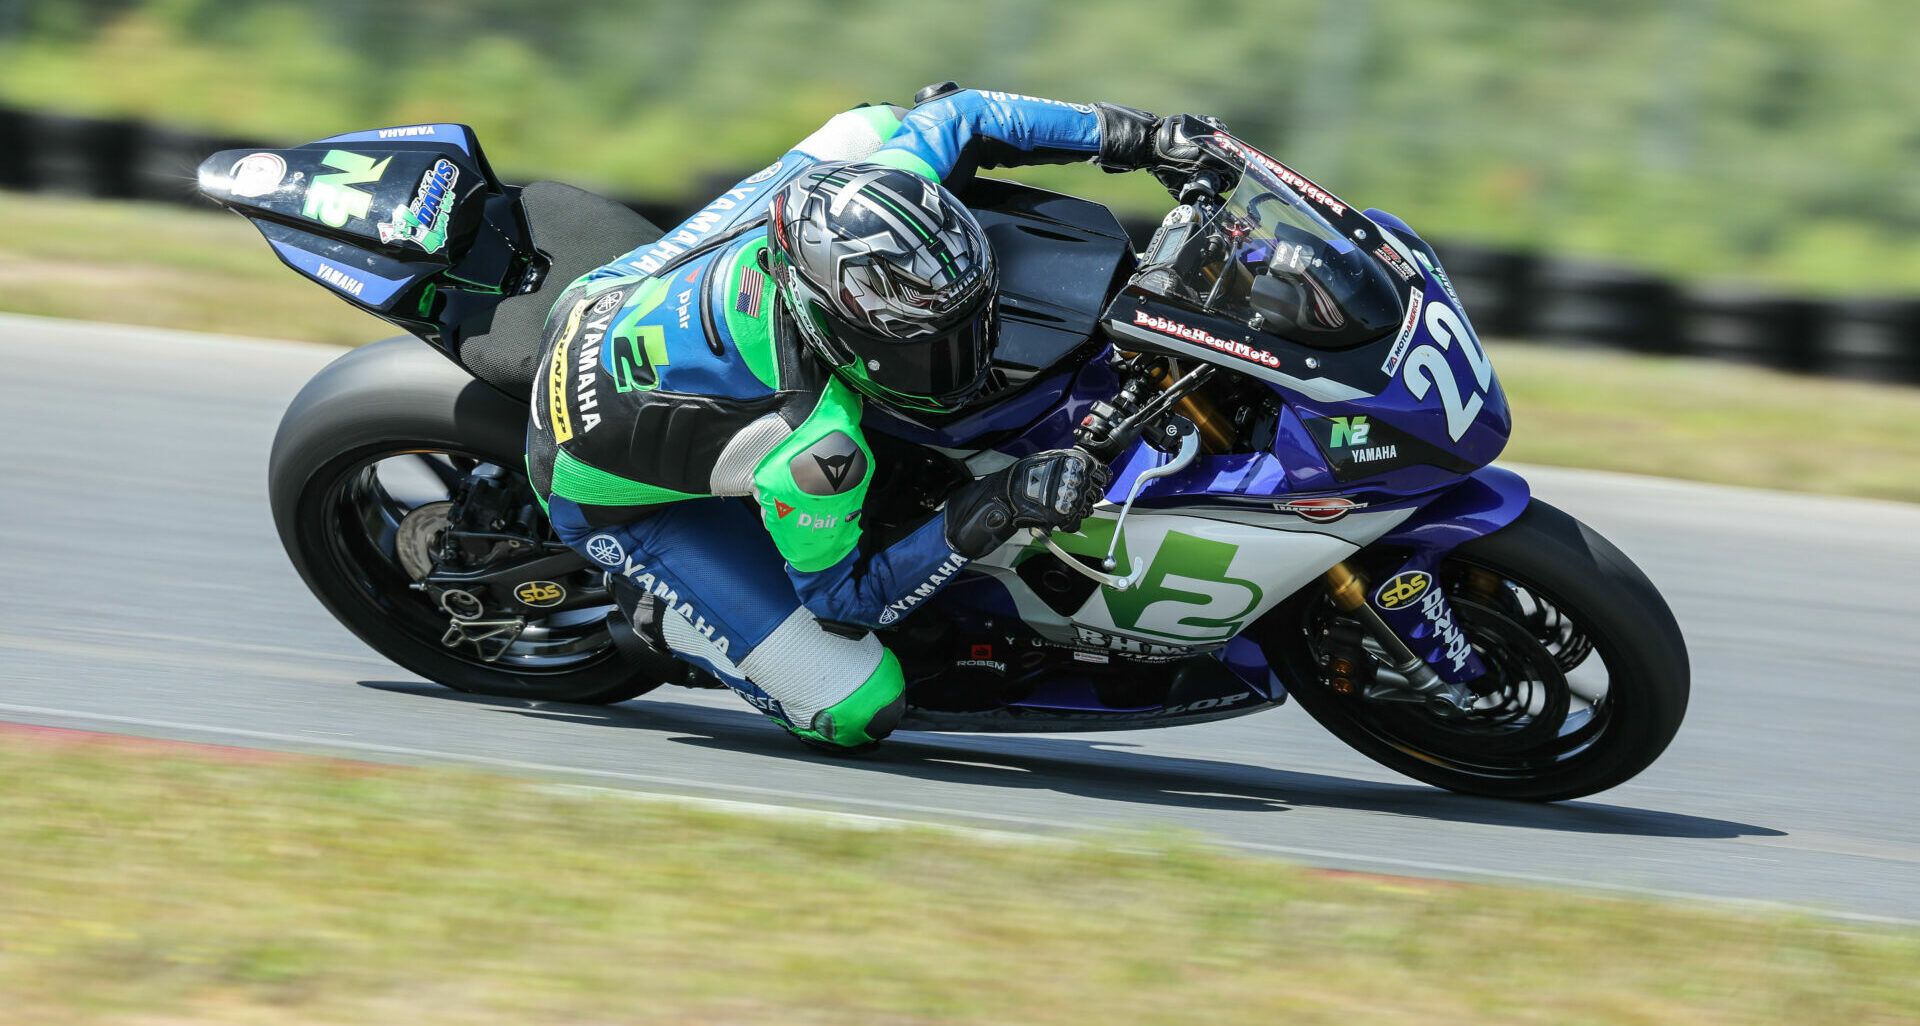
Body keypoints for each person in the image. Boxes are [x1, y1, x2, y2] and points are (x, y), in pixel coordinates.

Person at [525, 84, 1222, 749]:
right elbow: (849, 602)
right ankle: (670, 617)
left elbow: (966, 113)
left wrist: (1142, 136)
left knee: (876, 123)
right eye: (934, 347)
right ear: (838, 335)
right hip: (591, 481)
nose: (971, 352)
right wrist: (1002, 500)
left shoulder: (858, 190)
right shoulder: (813, 446)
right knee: (859, 705)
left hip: (607, 296)